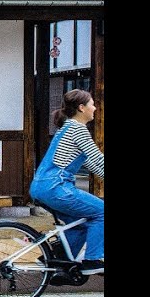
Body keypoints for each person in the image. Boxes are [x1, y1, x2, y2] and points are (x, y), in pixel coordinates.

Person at [30, 88, 104, 275]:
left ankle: (58, 265)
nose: (95, 108)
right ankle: (92, 261)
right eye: (92, 104)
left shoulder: (67, 128)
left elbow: (93, 165)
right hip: (57, 188)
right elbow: (98, 158)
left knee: (80, 223)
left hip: (43, 187)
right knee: (101, 212)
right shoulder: (77, 129)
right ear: (81, 108)